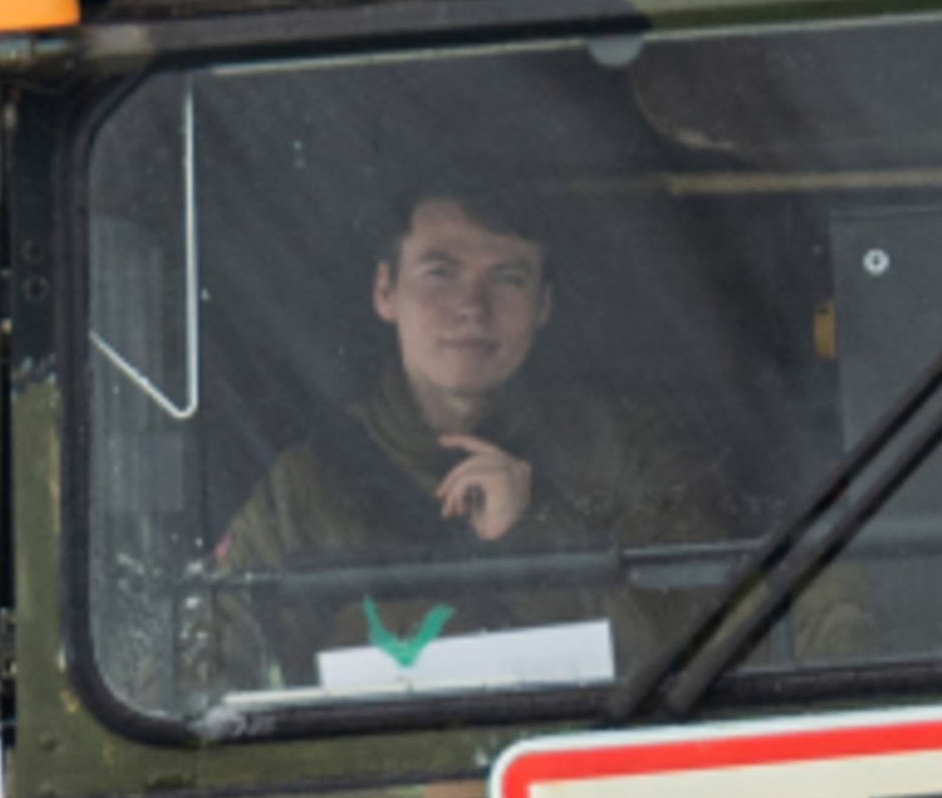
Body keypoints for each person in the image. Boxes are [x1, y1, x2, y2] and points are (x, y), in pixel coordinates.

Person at [213, 181, 736, 593]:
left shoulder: (623, 456)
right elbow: (210, 665)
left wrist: (536, 532)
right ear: (385, 292)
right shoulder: (303, 491)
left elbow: (700, 638)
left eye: (507, 278)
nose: (472, 307)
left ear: (543, 306)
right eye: (441, 273)